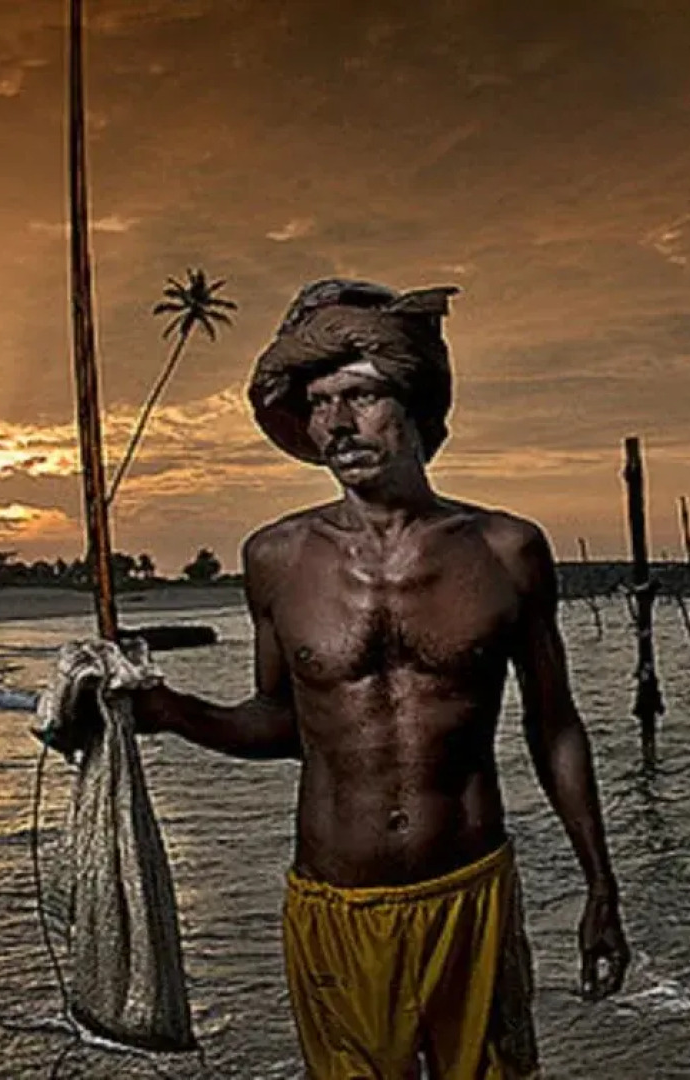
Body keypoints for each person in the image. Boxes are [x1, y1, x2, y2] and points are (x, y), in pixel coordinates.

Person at [111, 279, 627, 1078]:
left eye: (360, 396)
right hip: (336, 904)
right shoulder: (276, 558)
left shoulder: (506, 550)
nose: (336, 424)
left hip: (469, 893)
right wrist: (172, 710)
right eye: (318, 404)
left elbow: (553, 724)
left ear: (413, 408)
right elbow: (282, 722)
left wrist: (600, 886)